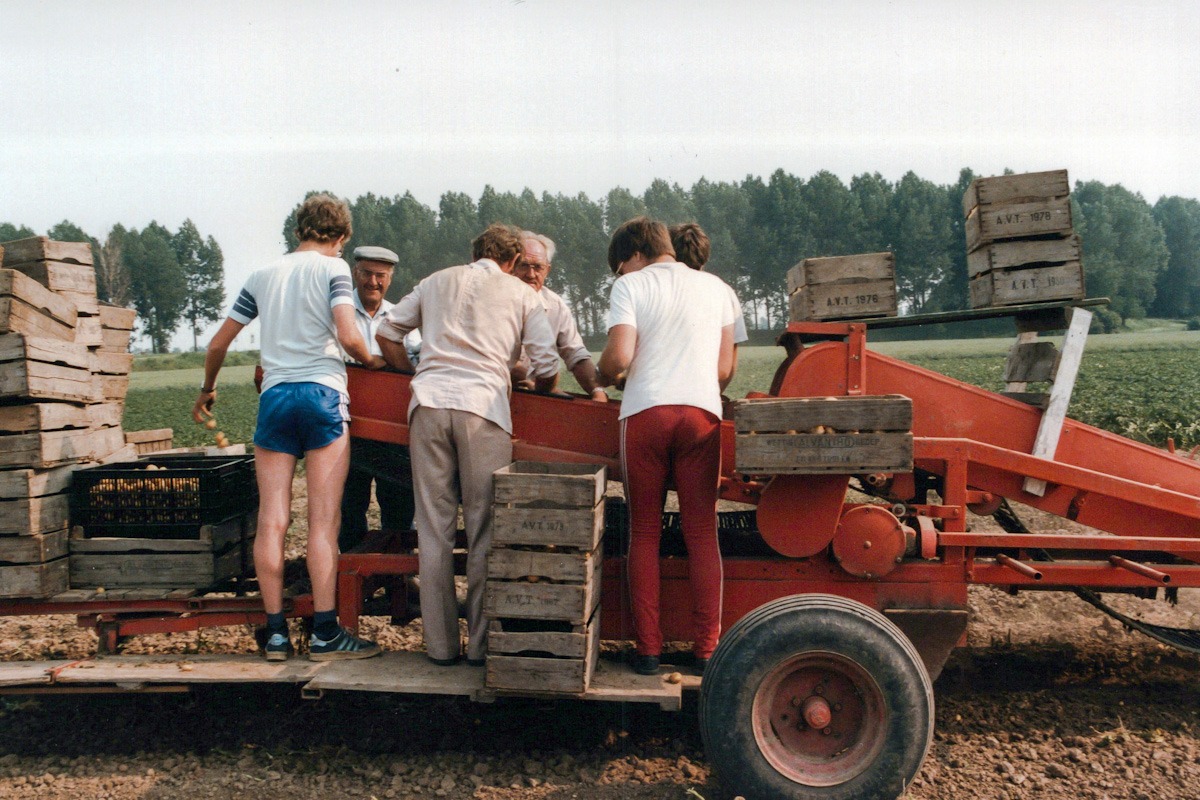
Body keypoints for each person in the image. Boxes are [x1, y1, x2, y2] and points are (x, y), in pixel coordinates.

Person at [193, 194, 385, 663]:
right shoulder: (335, 271)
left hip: (276, 398)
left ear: (300, 229)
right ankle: (324, 632)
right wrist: (372, 360)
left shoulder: (261, 276)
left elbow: (219, 342)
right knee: (324, 522)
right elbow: (346, 334)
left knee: (273, 519)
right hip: (321, 395)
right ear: (340, 237)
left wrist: (207, 389)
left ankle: (275, 633)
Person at [375, 223, 559, 666]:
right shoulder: (522, 294)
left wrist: (413, 375)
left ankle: (439, 647)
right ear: (513, 261)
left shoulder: (436, 281)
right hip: (484, 409)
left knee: (433, 530)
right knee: (483, 529)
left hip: (430, 405)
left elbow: (387, 333)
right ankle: (479, 646)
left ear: (475, 250)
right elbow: (547, 361)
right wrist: (538, 384)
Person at [597, 216, 746, 676]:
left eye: (620, 267)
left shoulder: (632, 287)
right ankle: (706, 649)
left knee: (644, 531)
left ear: (632, 256)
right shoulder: (718, 288)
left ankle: (647, 650)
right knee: (702, 532)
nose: (620, 276)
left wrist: (605, 374)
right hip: (701, 413)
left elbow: (619, 357)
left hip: (646, 413)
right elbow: (724, 371)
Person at [339, 245, 416, 552]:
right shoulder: (338, 314)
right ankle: (351, 576)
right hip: (347, 427)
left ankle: (399, 577)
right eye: (367, 274)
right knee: (348, 505)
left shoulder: (402, 318)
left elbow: (417, 361)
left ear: (390, 278)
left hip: (392, 433)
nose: (373, 282)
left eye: (380, 276)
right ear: (355, 274)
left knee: (399, 504)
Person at [511, 231, 607, 401]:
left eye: (538, 267)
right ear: (511, 266)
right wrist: (542, 382)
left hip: (537, 391)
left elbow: (576, 355)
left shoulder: (556, 306)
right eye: (524, 265)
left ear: (547, 270)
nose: (531, 274)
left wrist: (597, 390)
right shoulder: (495, 301)